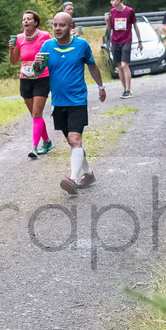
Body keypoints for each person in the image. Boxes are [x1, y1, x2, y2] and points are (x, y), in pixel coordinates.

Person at [40, 12, 107, 195]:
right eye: (55, 25)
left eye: (62, 25)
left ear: (71, 27)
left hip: (77, 100)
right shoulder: (47, 46)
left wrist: (100, 86)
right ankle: (88, 173)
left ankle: (73, 179)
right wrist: (37, 65)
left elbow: (92, 66)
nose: (57, 29)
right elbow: (37, 73)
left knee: (75, 139)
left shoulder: (81, 45)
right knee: (72, 142)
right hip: (58, 102)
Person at [9, 9, 54, 159]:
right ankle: (47, 142)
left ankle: (34, 148)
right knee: (36, 116)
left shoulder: (45, 36)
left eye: (29, 19)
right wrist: (11, 48)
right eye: (24, 19)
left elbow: (52, 55)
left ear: (35, 22)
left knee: (36, 113)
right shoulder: (19, 38)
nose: (26, 21)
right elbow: (14, 61)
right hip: (26, 78)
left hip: (42, 78)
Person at [104, 0, 142, 98]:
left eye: (113, 0)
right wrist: (107, 21)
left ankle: (129, 90)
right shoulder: (112, 12)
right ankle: (124, 89)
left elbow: (135, 26)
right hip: (115, 41)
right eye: (110, 0)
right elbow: (110, 28)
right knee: (119, 66)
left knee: (125, 64)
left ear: (119, 0)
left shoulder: (129, 11)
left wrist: (139, 41)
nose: (111, 2)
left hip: (126, 40)